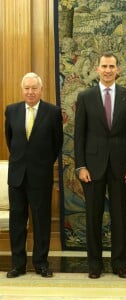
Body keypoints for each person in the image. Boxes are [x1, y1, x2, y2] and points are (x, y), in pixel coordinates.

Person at [74, 53, 126, 279]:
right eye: (104, 66)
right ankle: (94, 264)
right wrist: (80, 166)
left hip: (121, 166)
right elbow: (79, 135)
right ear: (97, 68)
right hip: (92, 166)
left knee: (120, 215)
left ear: (118, 70)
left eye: (112, 66)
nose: (108, 70)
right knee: (93, 216)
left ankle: (120, 264)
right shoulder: (85, 97)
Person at [5, 72, 63, 278]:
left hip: (41, 175)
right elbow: (10, 140)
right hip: (17, 176)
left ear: (41, 90)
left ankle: (41, 264)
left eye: (34, 88)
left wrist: (43, 163)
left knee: (41, 221)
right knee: (17, 221)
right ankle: (18, 265)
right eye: (27, 88)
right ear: (22, 90)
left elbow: (57, 143)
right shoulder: (11, 111)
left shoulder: (53, 112)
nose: (30, 92)